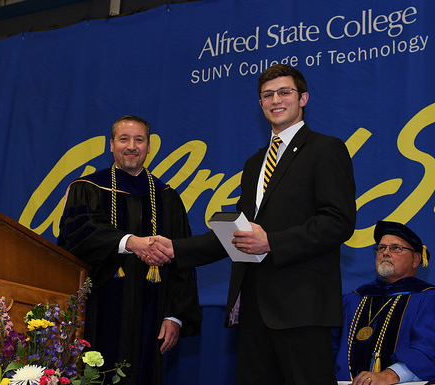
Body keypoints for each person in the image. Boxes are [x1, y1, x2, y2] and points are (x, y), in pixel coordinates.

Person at [149, 64, 357, 384]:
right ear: (260, 104)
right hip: (253, 307)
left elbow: (338, 222)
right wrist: (173, 248)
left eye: (284, 92)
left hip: (301, 307)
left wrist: (272, 242)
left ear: (303, 98)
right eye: (267, 95)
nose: (276, 100)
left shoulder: (326, 149)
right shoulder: (254, 163)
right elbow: (237, 233)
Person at [57, 115, 202, 384]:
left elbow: (184, 259)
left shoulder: (167, 196)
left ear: (149, 146)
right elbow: (75, 237)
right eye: (124, 139)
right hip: (97, 311)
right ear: (110, 144)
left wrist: (175, 316)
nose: (132, 146)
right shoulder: (86, 189)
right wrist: (129, 242)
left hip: (153, 315)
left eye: (139, 140)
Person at [334, 220, 435, 385]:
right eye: (381, 248)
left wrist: (390, 375)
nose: (385, 253)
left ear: (416, 259)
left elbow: (431, 348)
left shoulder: (428, 299)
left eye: (396, 248)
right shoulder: (354, 300)